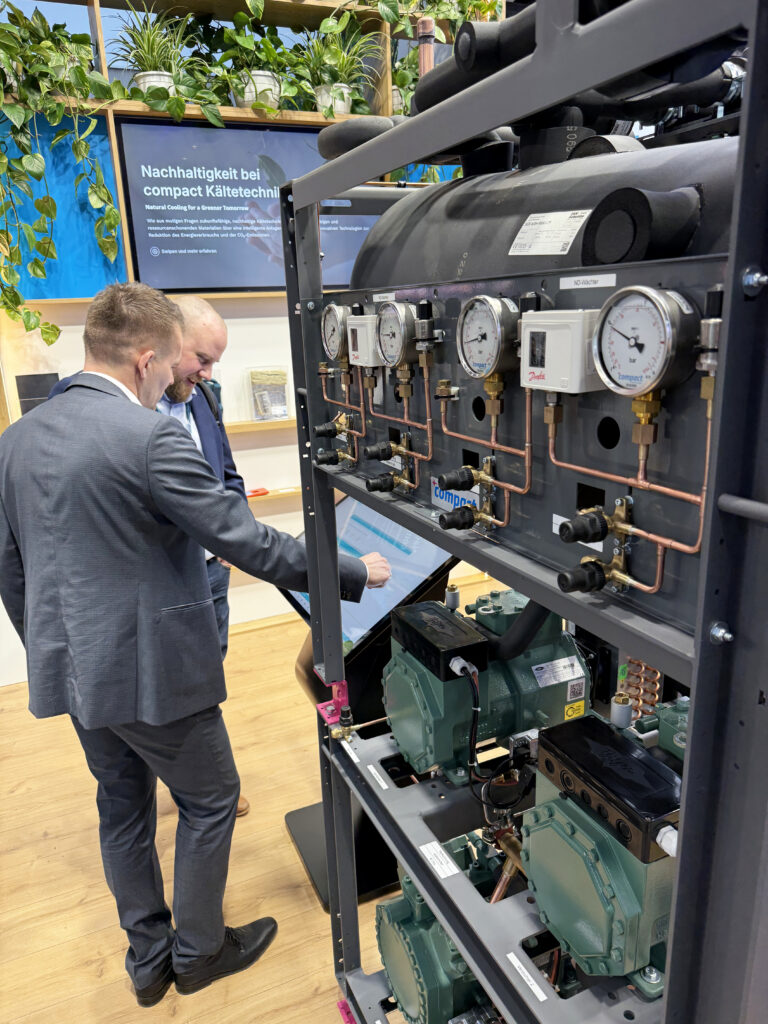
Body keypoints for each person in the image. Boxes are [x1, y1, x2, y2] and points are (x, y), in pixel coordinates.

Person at [0, 283, 391, 1008]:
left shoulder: (18, 439)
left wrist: (53, 653)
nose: (187, 377)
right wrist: (353, 572)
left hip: (78, 674)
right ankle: (200, 951)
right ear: (147, 359)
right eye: (180, 361)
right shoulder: (150, 438)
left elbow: (12, 568)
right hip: (155, 673)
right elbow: (245, 540)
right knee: (212, 800)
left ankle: (148, 961)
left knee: (122, 809)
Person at [51, 293, 253, 817]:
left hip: (208, 578)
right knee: (148, 705)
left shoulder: (205, 398)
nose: (207, 373)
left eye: (215, 363)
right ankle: (191, 787)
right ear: (164, 347)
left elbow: (226, 475)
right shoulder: (86, 409)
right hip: (144, 592)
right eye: (201, 359)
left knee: (201, 692)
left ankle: (198, 776)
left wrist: (230, 536)